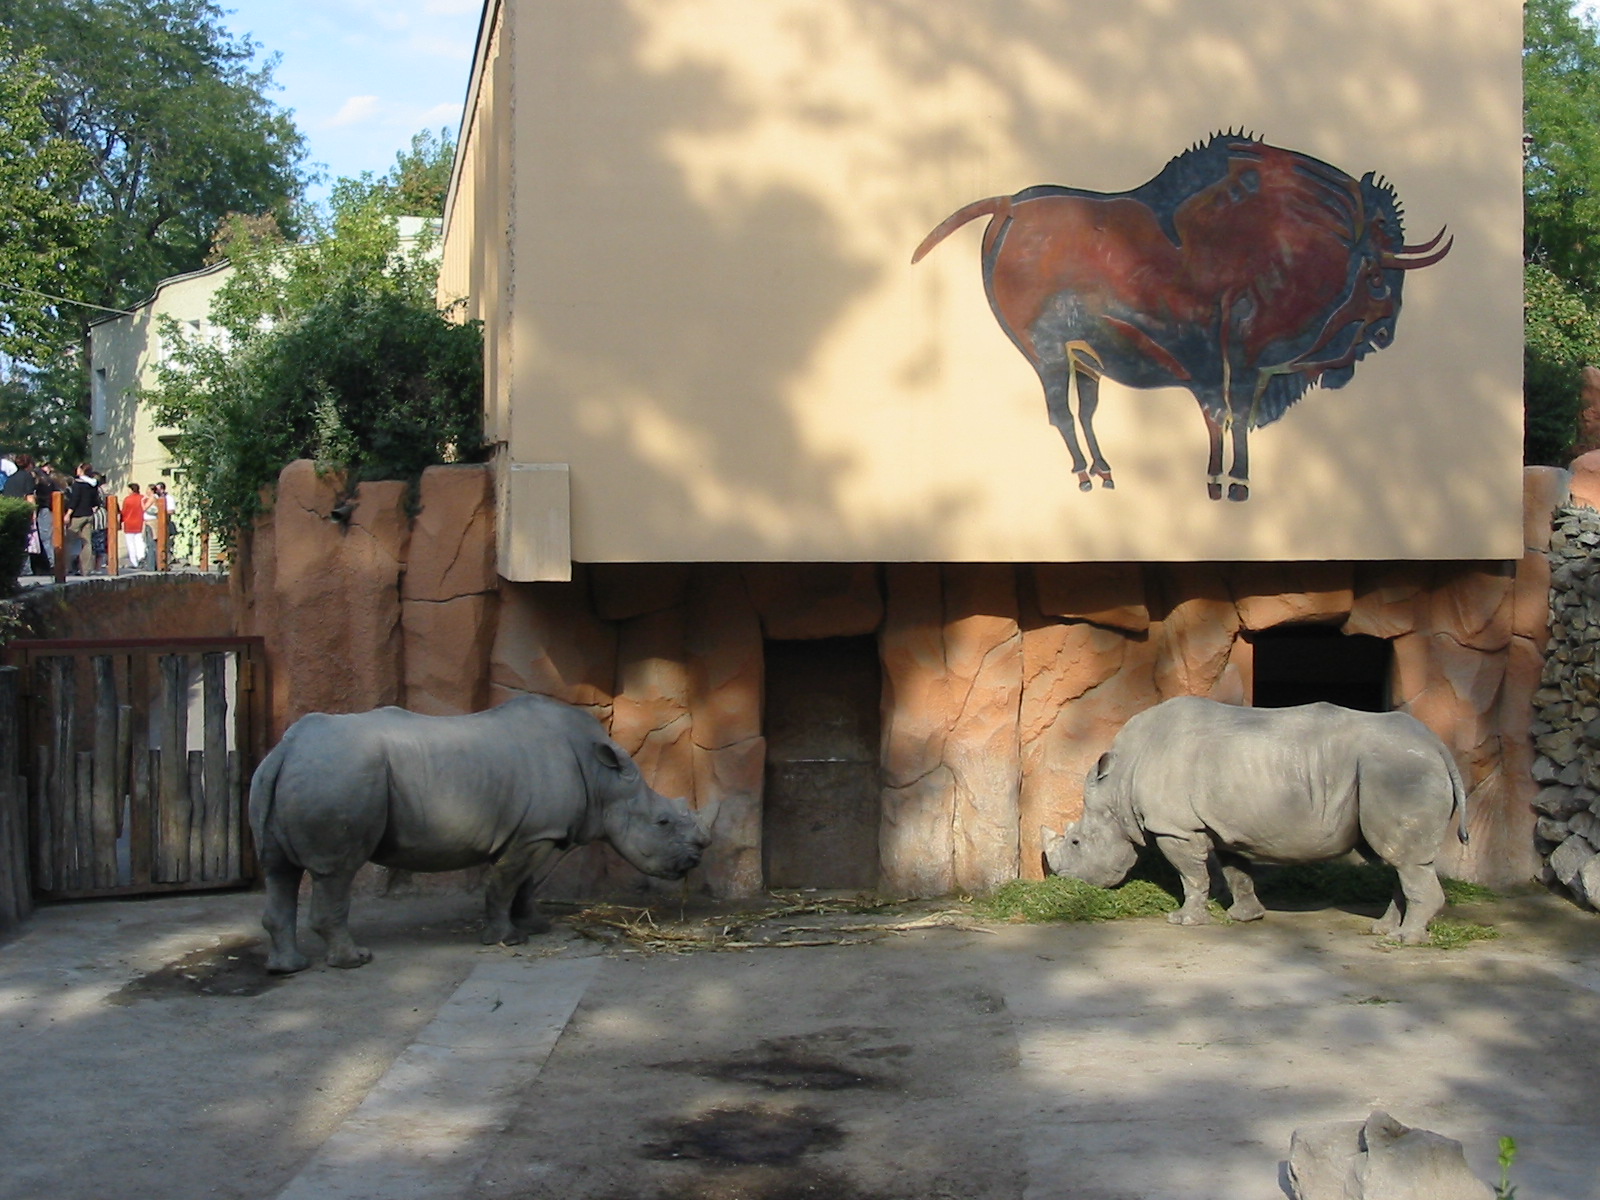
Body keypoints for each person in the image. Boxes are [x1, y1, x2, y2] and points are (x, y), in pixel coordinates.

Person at [65, 463, 99, 576]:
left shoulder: (78, 484)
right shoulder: (93, 484)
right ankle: (86, 569)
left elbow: (75, 500)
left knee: (68, 540)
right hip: (89, 514)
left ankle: (65, 567)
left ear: (82, 470)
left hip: (77, 515)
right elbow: (96, 501)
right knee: (87, 542)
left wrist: (68, 514)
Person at [120, 482, 148, 570]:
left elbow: (124, 512)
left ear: (131, 490)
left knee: (130, 544)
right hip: (140, 522)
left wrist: (121, 521)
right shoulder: (143, 498)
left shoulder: (127, 499)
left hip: (129, 523)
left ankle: (134, 562)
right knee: (139, 541)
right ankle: (141, 558)